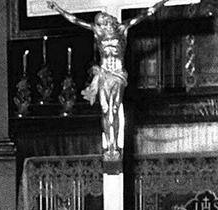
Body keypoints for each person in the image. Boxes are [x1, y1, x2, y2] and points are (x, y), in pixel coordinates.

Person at [47, 0, 169, 161]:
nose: (103, 25)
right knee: (105, 110)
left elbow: (146, 13)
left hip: (118, 74)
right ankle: (110, 145)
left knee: (114, 108)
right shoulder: (98, 32)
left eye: (103, 21)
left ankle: (116, 146)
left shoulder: (122, 28)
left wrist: (163, 1)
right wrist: (57, 8)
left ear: (108, 19)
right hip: (104, 74)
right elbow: (75, 20)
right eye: (100, 23)